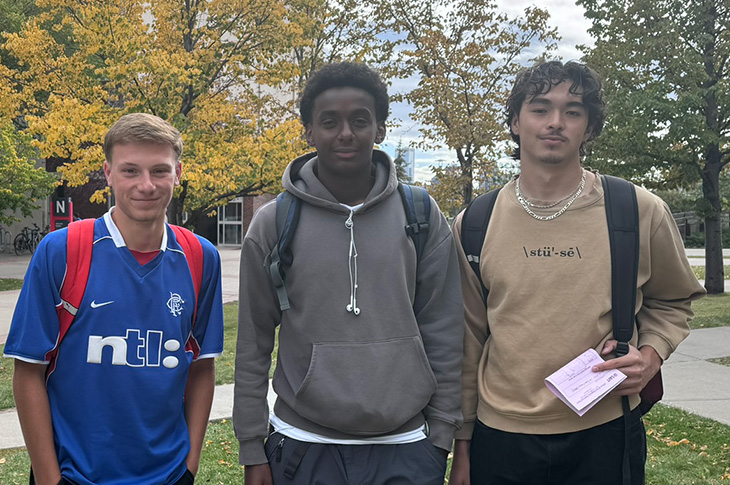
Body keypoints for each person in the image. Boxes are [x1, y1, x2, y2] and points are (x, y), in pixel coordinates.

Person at [448, 60, 706, 484]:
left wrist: (650, 354)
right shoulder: (475, 222)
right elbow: (468, 340)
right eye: (540, 108)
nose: (555, 122)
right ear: (515, 121)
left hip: (605, 430)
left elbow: (674, 299)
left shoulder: (637, 210)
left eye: (572, 111)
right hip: (501, 437)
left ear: (588, 127)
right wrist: (464, 446)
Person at [233, 62, 464, 484]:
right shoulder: (273, 222)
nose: (345, 133)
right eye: (329, 122)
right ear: (308, 131)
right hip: (302, 444)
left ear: (379, 129)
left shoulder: (421, 215)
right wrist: (252, 448)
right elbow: (252, 344)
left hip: (406, 447)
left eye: (360, 120)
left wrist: (444, 433)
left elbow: (445, 331)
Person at [4, 113, 224, 485]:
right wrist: (47, 477)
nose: (146, 185)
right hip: (74, 475)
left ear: (178, 172)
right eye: (130, 171)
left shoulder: (201, 258)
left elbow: (202, 366)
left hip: (168, 476)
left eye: (159, 170)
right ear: (108, 173)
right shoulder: (63, 251)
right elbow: (28, 370)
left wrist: (190, 463)